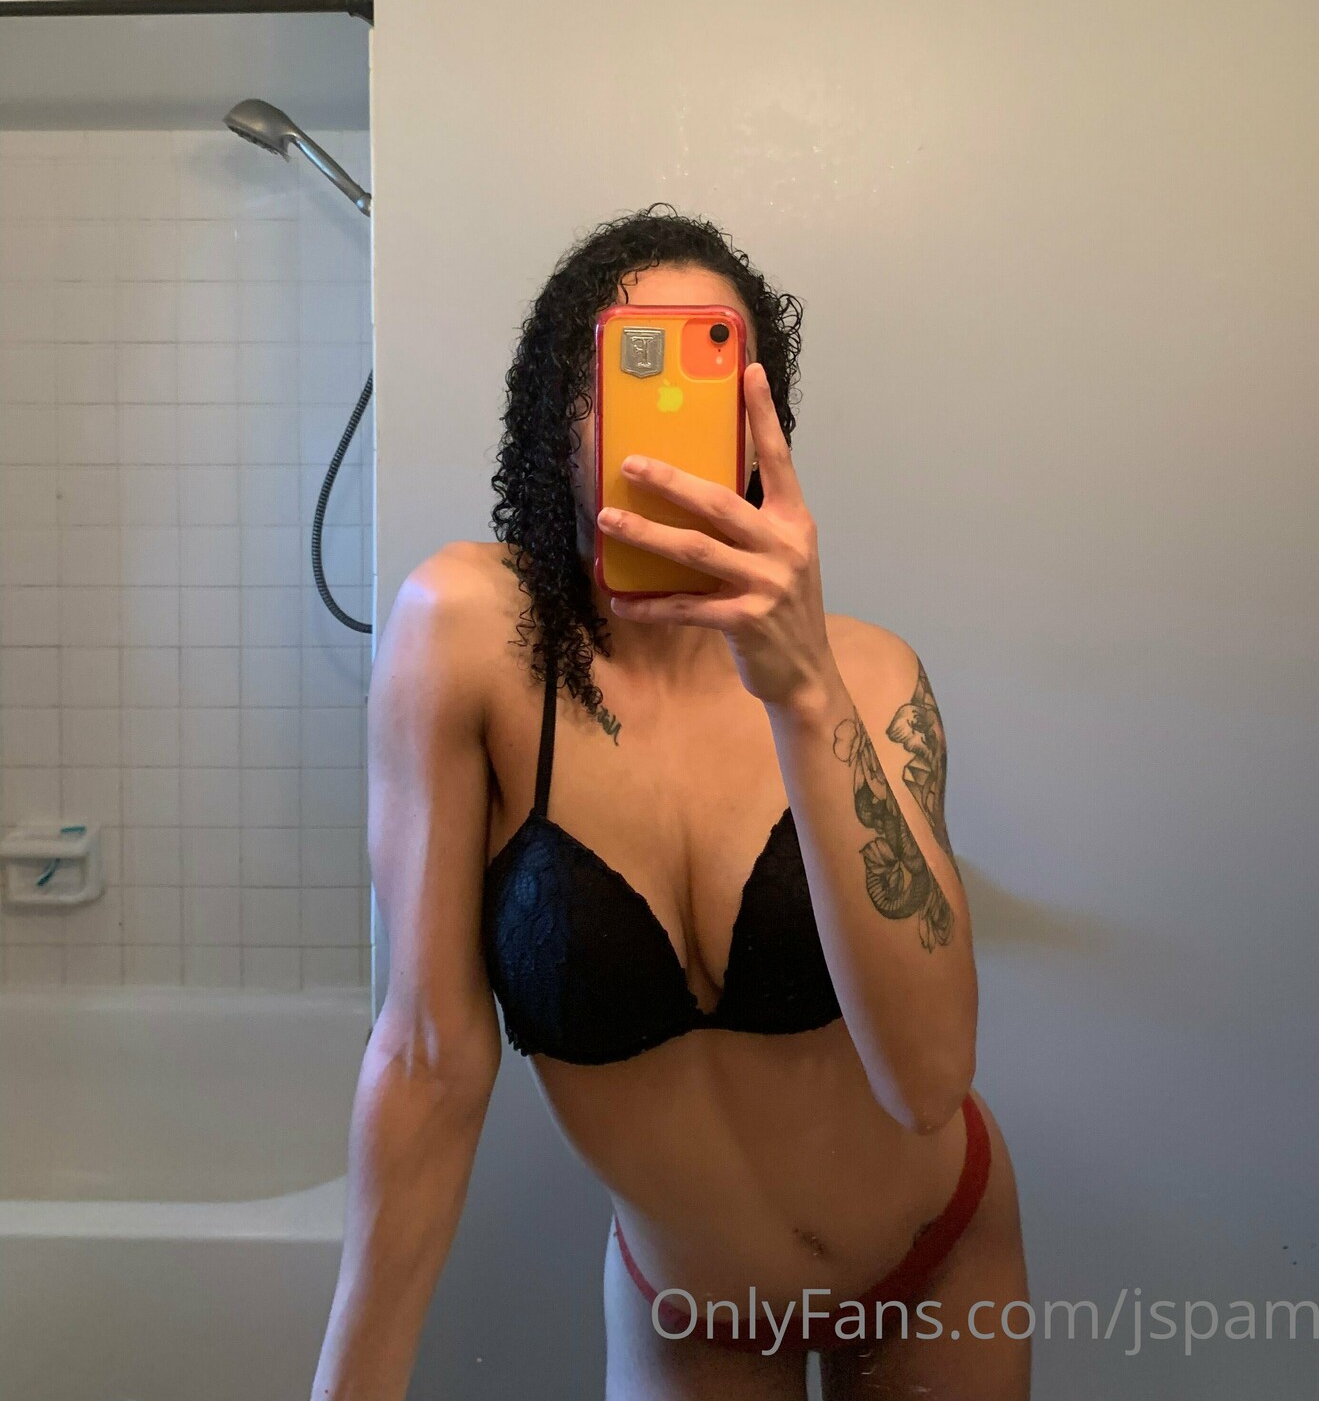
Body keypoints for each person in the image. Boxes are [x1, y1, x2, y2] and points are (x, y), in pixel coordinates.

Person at [311, 204, 1030, 1401]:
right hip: (691, 1314)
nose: (667, 433)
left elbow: (928, 1079)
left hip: (938, 1265)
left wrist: (802, 688)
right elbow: (428, 1057)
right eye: (627, 374)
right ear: (559, 413)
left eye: (710, 375)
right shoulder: (467, 639)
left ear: (760, 428)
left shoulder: (871, 677)